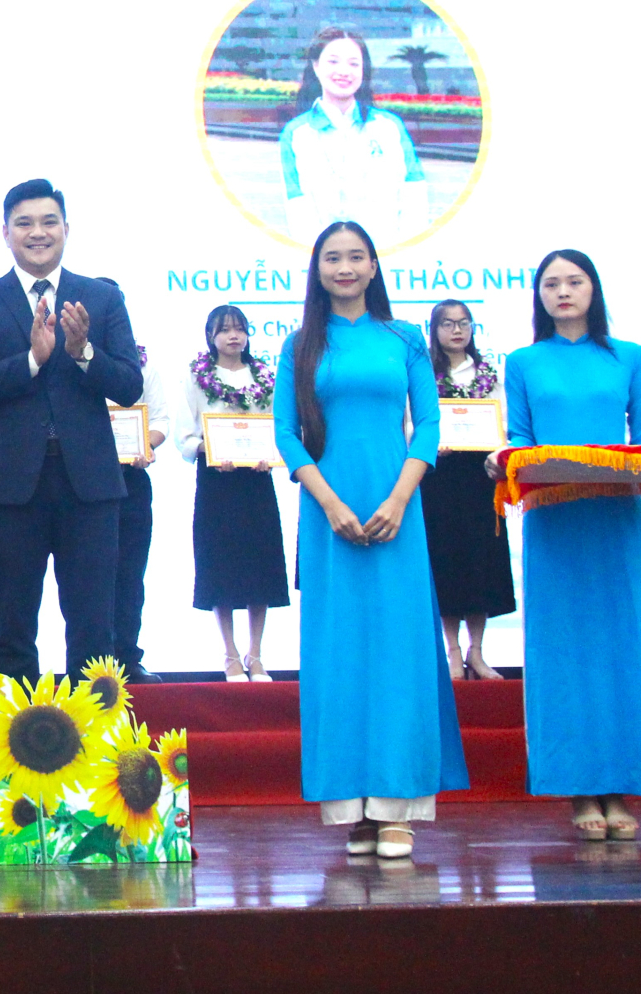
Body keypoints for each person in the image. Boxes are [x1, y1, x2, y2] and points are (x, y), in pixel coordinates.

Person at [275, 220, 465, 859]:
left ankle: (395, 809)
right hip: (328, 522)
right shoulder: (302, 344)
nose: (346, 267)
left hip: (397, 515)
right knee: (339, 656)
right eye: (333, 257)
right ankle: (352, 807)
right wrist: (327, 503)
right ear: (318, 268)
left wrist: (397, 500)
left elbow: (430, 427)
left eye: (357, 256)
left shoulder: (405, 339)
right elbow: (286, 434)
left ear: (375, 266)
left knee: (398, 652)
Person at [502, 249, 641, 839]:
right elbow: (520, 439)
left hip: (615, 519)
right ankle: (578, 792)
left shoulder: (629, 356)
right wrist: (509, 463)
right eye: (551, 284)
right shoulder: (523, 361)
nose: (563, 292)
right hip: (554, 521)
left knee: (621, 647)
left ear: (594, 289)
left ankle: (620, 786)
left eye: (574, 281)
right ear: (539, 297)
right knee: (564, 653)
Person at [0, 179, 141, 683]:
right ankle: (17, 742)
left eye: (48, 221)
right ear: (6, 233)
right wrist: (31, 361)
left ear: (66, 229)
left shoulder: (101, 298)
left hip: (90, 485)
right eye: (25, 223)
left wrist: (83, 353)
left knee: (94, 627)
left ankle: (96, 743)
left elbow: (128, 385)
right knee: (11, 627)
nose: (38, 233)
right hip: (13, 488)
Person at [180, 305, 290, 682]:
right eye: (224, 330)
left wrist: (271, 455)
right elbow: (187, 433)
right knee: (221, 566)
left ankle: (255, 654)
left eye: (239, 329)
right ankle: (229, 654)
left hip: (256, 481)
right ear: (210, 336)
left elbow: (279, 425)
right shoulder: (197, 377)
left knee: (261, 565)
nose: (233, 336)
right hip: (216, 482)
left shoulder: (265, 376)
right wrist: (208, 451)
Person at [420, 299, 514, 681]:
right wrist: (426, 442)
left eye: (463, 323)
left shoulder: (489, 373)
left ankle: (477, 651)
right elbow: (413, 420)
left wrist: (497, 450)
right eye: (447, 323)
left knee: (481, 564)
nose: (456, 330)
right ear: (435, 330)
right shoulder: (423, 373)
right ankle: (453, 652)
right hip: (439, 479)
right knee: (447, 563)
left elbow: (503, 423)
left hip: (480, 479)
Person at [278, 27, 429, 248]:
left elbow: (414, 196)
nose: (344, 71)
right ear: (316, 66)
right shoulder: (296, 134)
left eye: (353, 63)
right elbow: (297, 210)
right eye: (333, 61)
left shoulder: (389, 127)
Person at [100, 280, 173, 685]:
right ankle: (92, 663)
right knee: (88, 575)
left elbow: (160, 419)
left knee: (130, 573)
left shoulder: (142, 365)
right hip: (84, 484)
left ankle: (127, 657)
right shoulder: (69, 361)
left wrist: (146, 443)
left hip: (131, 477)